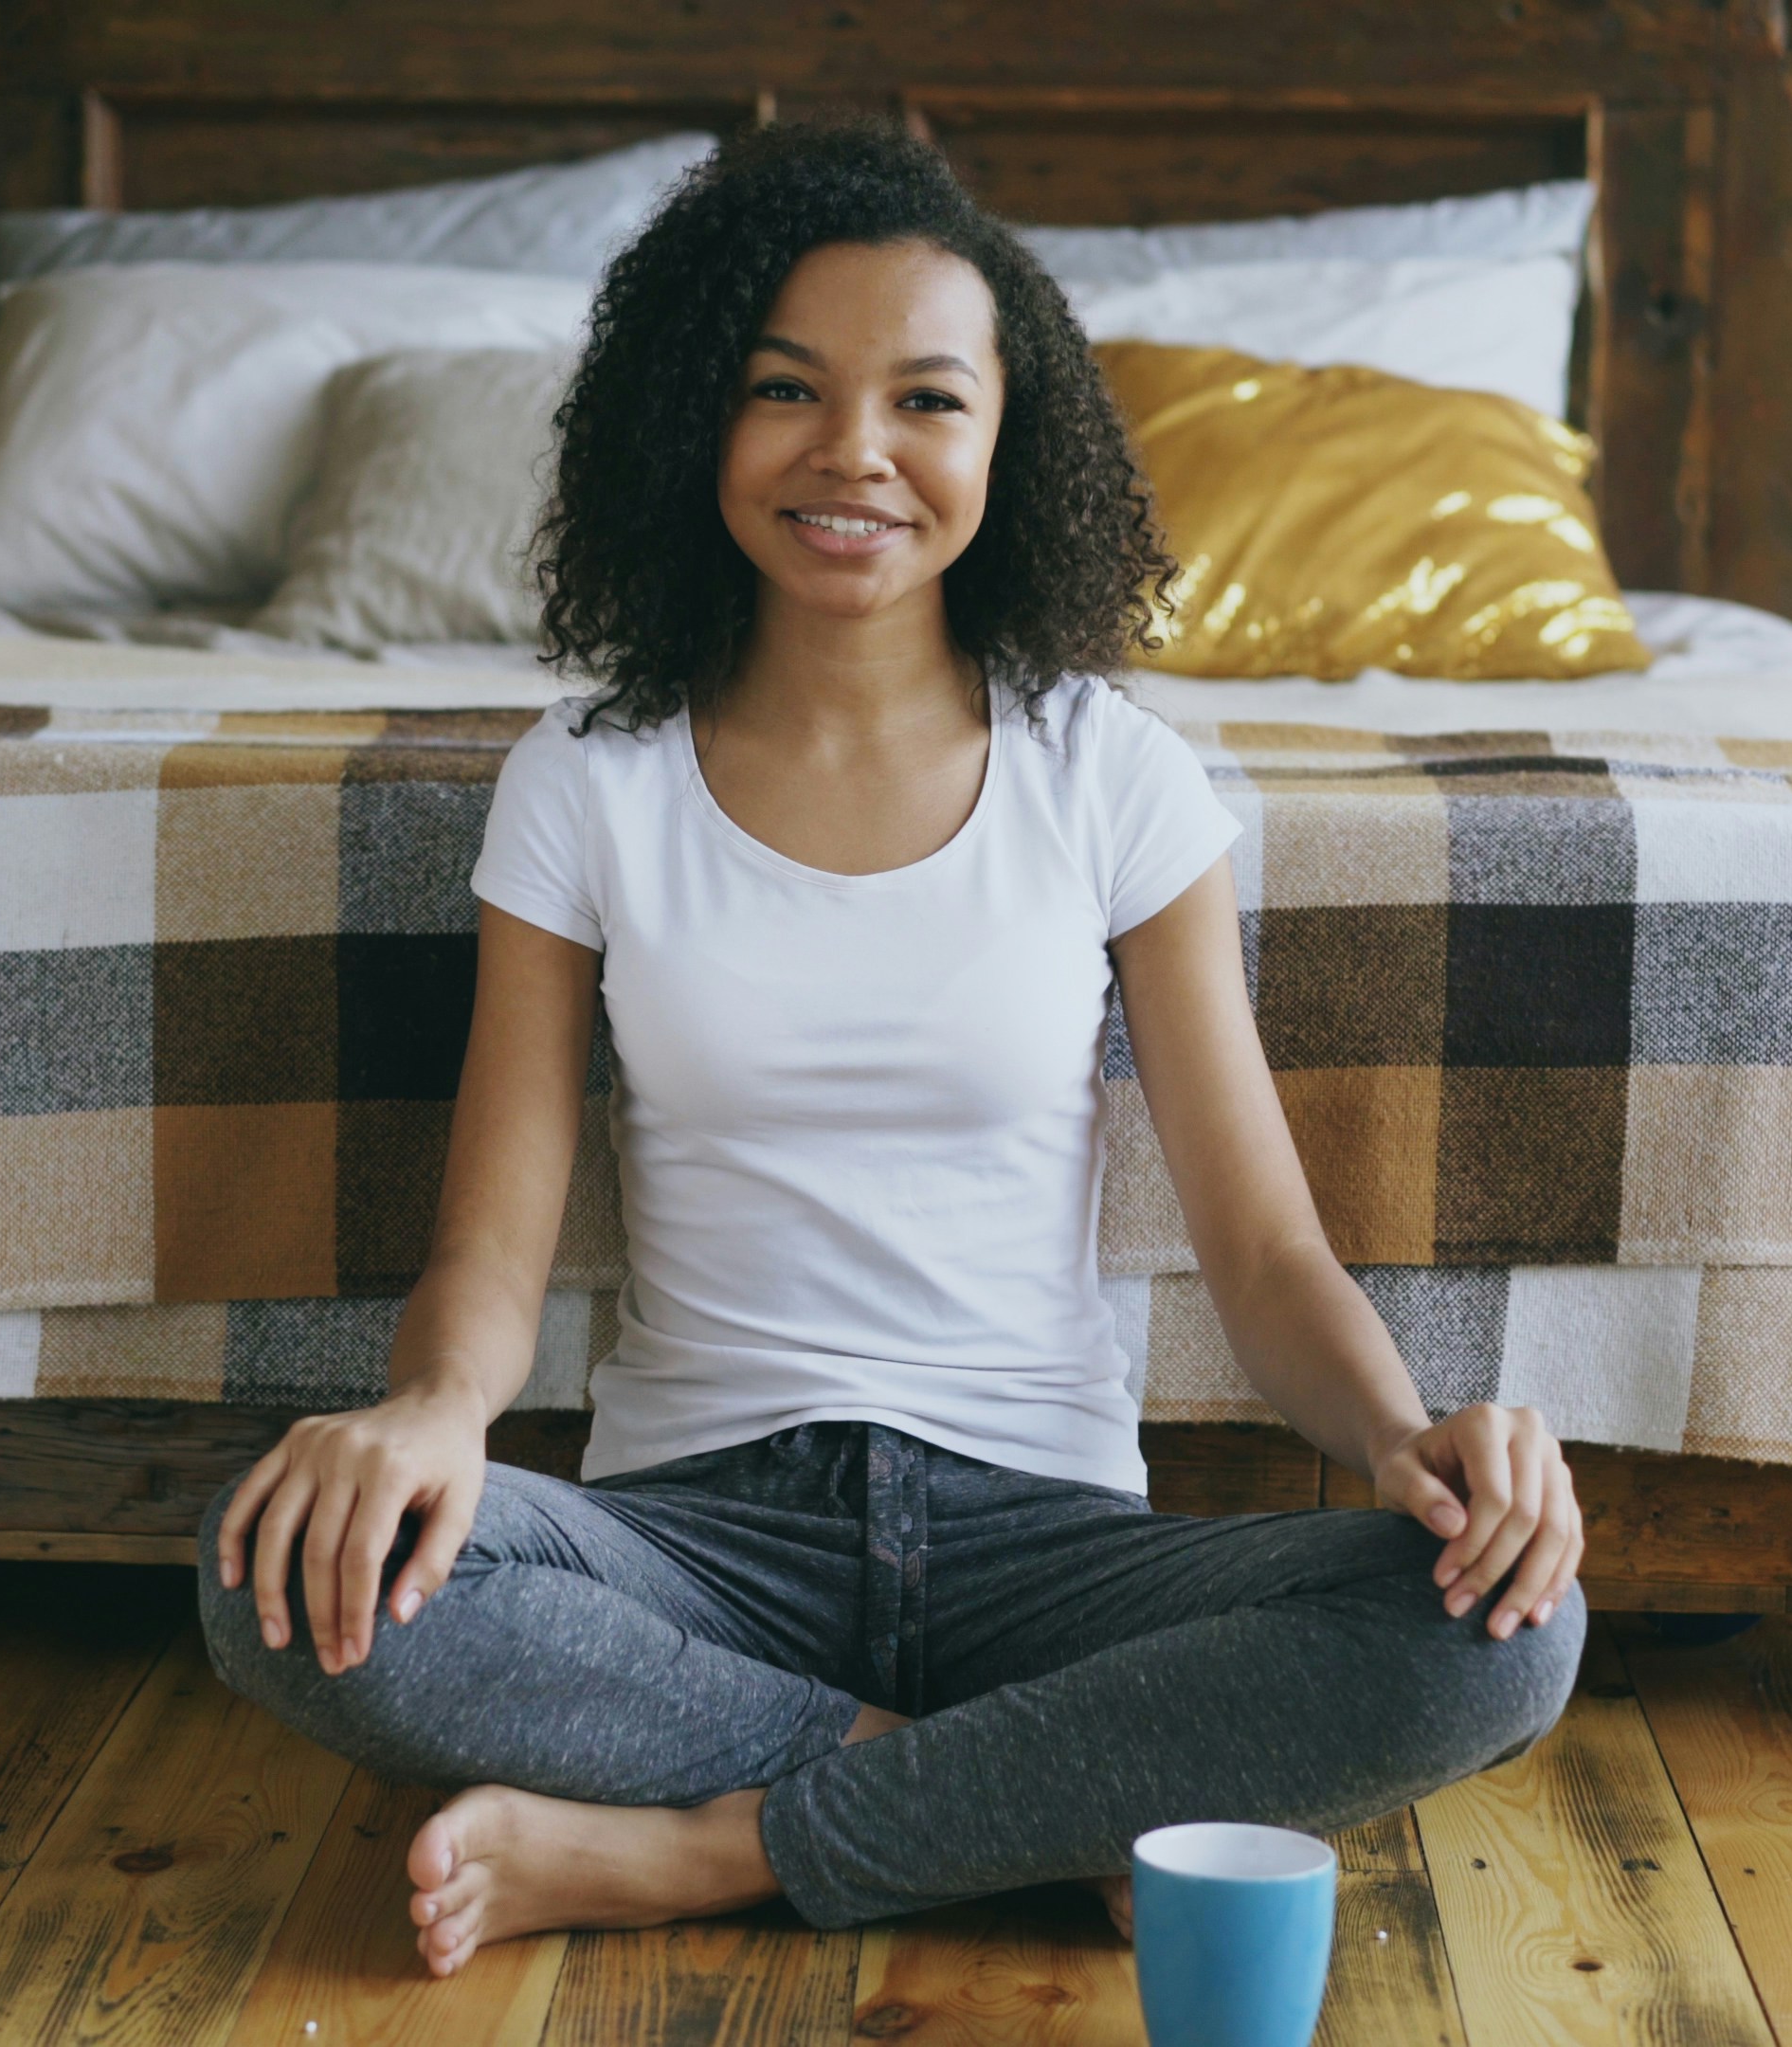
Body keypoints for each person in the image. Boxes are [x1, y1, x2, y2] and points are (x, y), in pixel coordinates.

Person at [197, 123, 1584, 1976]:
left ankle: (709, 1851)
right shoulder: (588, 785)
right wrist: (430, 1417)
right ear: (700, 417)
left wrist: (1418, 1441)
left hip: (1050, 1545)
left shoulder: (1112, 777)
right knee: (275, 1572)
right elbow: (492, 1250)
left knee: (1507, 1625)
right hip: (703, 1543)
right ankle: (1002, 1808)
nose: (853, 452)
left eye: (925, 399)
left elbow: (1263, 1258)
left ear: (1006, 450)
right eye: (788, 390)